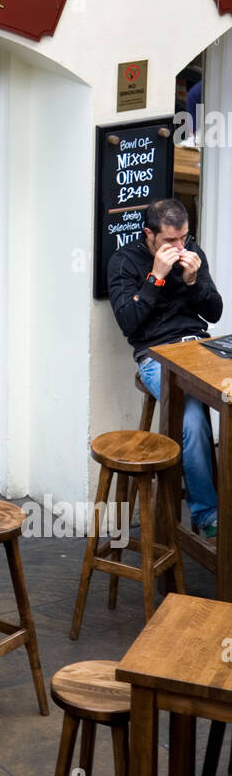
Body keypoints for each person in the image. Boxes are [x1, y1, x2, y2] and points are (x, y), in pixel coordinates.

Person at [108, 196, 223, 536]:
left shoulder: (193, 253)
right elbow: (129, 323)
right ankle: (208, 517)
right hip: (155, 354)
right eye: (171, 240)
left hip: (199, 344)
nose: (179, 246)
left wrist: (193, 281)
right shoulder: (124, 261)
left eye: (184, 237)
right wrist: (156, 278)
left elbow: (214, 312)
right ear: (150, 235)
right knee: (191, 419)